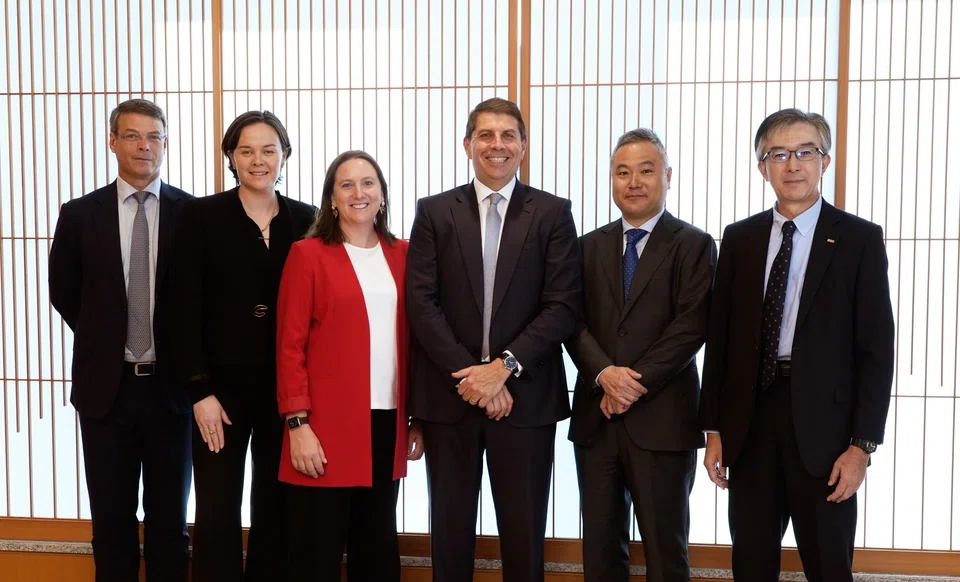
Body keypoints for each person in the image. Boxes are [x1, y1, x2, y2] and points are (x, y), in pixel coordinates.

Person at [699, 108, 895, 582]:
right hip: (749, 422)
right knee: (751, 560)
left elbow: (877, 349)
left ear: (824, 162)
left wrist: (862, 447)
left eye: (805, 152)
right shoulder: (739, 238)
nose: (793, 164)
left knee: (828, 563)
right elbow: (719, 340)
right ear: (761, 166)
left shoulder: (858, 239)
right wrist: (714, 431)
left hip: (826, 432)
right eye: (778, 154)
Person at [406, 97, 581, 582]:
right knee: (449, 530)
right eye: (486, 135)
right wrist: (472, 376)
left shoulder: (552, 213)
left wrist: (501, 368)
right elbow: (421, 303)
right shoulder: (435, 212)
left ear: (523, 146)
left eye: (508, 136)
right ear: (467, 145)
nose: (497, 145)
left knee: (524, 535)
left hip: (524, 399)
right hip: (450, 397)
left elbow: (562, 304)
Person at [48, 98, 193, 581]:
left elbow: (203, 302)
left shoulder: (191, 214)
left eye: (153, 136)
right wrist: (107, 339)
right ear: (112, 142)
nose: (143, 146)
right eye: (131, 135)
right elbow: (64, 292)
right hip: (105, 391)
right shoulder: (80, 214)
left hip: (172, 391)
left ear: (166, 145)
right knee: (111, 521)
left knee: (170, 523)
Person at [169, 110, 317, 581]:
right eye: (247, 150)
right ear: (231, 157)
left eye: (269, 150)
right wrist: (199, 392)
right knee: (217, 506)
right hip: (219, 391)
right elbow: (180, 309)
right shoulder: (201, 215)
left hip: (285, 389)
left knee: (278, 503)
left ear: (285, 155)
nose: (258, 160)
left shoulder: (307, 218)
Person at [565, 129, 717, 582]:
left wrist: (630, 384)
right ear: (611, 180)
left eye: (646, 170)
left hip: (662, 421)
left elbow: (691, 327)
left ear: (667, 177)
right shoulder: (587, 246)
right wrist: (604, 374)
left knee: (665, 551)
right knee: (600, 552)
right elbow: (570, 320)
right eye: (622, 172)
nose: (634, 181)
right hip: (597, 420)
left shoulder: (693, 244)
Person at [276, 150, 423, 582]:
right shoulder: (308, 255)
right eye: (347, 185)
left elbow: (420, 343)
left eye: (368, 183)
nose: (359, 193)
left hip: (387, 420)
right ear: (332, 199)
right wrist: (297, 423)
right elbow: (289, 345)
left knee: (376, 547)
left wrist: (420, 418)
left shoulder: (406, 254)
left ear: (382, 194)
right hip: (324, 425)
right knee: (316, 550)